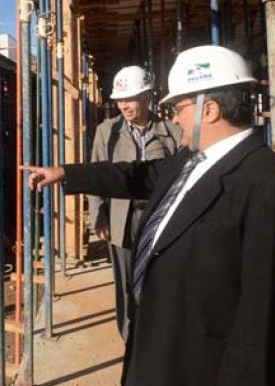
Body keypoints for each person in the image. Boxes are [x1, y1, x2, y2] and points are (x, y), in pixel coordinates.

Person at [27, 45, 275, 385]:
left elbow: (271, 325)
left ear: (209, 110)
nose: (173, 118)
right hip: (160, 352)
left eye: (179, 108)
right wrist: (66, 173)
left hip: (201, 367)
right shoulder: (189, 162)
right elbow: (134, 174)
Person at [89, 65, 180, 342]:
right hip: (122, 219)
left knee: (161, 278)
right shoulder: (107, 132)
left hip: (160, 218)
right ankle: (131, 337)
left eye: (130, 98)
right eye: (120, 99)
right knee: (127, 283)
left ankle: (159, 335)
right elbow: (96, 175)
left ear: (147, 96)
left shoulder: (171, 132)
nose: (124, 105)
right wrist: (99, 215)